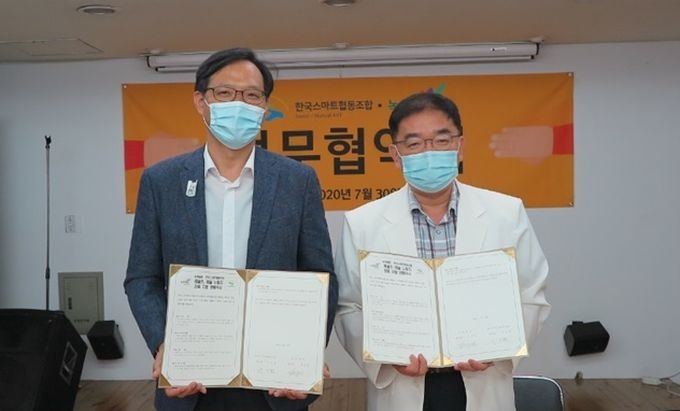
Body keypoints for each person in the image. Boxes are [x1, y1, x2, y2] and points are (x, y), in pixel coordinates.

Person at [124, 47, 338, 411]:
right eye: (224, 93)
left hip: (275, 381)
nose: (239, 103)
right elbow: (142, 278)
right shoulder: (161, 181)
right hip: (190, 380)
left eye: (252, 95)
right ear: (201, 101)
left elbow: (320, 276)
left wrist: (306, 348)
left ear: (264, 108)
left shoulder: (297, 181)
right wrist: (165, 345)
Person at [334, 92, 550, 411]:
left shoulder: (506, 213)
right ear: (396, 154)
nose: (429, 152)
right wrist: (386, 358)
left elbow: (531, 294)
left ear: (459, 146)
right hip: (402, 386)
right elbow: (348, 306)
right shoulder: (363, 222)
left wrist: (498, 350)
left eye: (441, 140)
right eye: (414, 143)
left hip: (483, 379)